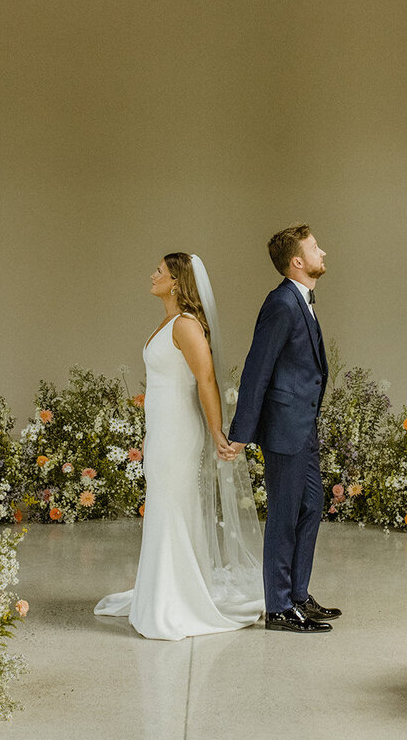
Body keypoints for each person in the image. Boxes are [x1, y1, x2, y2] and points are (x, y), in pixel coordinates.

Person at [95, 253, 264, 641]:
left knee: (171, 505)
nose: (152, 275)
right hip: (162, 428)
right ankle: (163, 589)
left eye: (160, 271)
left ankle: (174, 598)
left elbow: (205, 380)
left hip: (177, 432)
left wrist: (217, 431)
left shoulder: (186, 325)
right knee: (164, 504)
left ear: (175, 282)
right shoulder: (169, 322)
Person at [224, 225, 340, 633]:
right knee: (285, 514)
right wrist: (241, 431)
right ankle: (278, 606)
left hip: (302, 427)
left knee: (310, 507)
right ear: (297, 261)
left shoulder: (301, 300)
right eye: (314, 248)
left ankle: (298, 596)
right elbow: (258, 367)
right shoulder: (282, 303)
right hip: (284, 428)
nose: (322, 251)